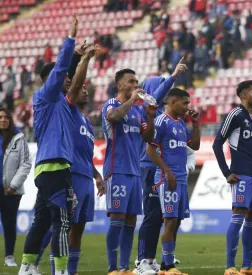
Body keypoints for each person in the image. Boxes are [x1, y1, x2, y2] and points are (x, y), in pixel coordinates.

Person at [18, 15, 81, 275]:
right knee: (62, 222)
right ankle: (63, 271)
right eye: (64, 76)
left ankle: (26, 267)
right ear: (51, 79)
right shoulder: (46, 95)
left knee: (42, 221)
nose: (69, 80)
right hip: (54, 167)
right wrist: (70, 39)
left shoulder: (59, 105)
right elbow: (60, 72)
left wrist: (79, 58)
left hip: (48, 167)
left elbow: (73, 78)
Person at [134, 58, 187, 275]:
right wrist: (174, 76)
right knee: (153, 215)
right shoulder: (147, 111)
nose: (167, 90)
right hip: (150, 167)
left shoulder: (162, 116)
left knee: (163, 217)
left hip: (157, 166)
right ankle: (142, 261)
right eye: (162, 86)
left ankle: (154, 259)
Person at [102, 68, 156, 275]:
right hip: (117, 169)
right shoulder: (112, 104)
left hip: (135, 171)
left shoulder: (138, 111)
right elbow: (113, 117)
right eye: (131, 81)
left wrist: (150, 116)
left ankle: (125, 268)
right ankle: (112, 268)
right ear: (120, 85)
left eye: (137, 81)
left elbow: (147, 137)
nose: (136, 84)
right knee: (117, 218)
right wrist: (133, 100)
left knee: (131, 221)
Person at [212, 80, 252, 275]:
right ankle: (230, 266)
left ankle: (247, 266)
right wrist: (226, 172)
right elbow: (217, 143)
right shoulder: (235, 115)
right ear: (244, 96)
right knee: (238, 218)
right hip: (241, 175)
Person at [146, 88, 200, 275]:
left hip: (181, 179)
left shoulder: (180, 124)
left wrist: (196, 124)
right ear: (173, 102)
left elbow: (195, 146)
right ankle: (167, 266)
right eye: (185, 103)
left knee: (175, 221)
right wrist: (167, 171)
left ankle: (167, 263)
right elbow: (150, 151)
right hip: (167, 178)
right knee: (169, 220)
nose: (187, 107)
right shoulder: (161, 121)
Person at [66, 44, 106, 275]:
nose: (85, 92)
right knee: (64, 227)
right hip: (70, 177)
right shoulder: (68, 112)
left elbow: (85, 155)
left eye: (87, 90)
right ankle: (55, 269)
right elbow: (74, 86)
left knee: (79, 229)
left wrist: (97, 176)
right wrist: (84, 59)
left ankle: (71, 271)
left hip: (85, 178)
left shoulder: (88, 123)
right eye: (81, 89)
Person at [0, 108, 31, 267]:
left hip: (9, 190)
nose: (3, 119)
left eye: (6, 117)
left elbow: (25, 164)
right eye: (0, 117)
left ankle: (9, 257)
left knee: (9, 224)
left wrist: (13, 186)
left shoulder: (19, 138)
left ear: (10, 120)